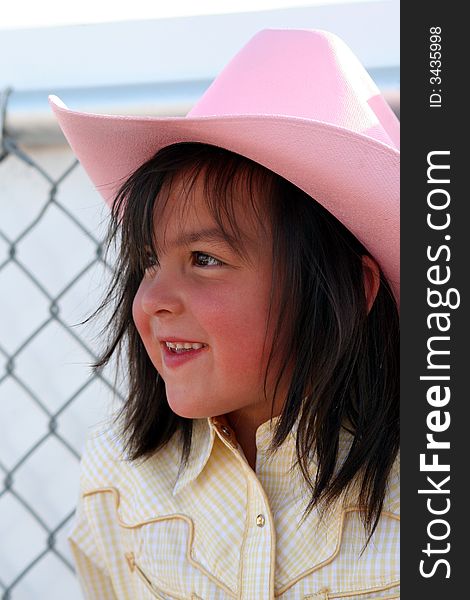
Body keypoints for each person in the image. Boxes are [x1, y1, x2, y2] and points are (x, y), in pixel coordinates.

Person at [49, 28, 399, 600]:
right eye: (147, 260)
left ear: (349, 288)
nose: (151, 298)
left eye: (205, 259)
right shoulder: (120, 478)